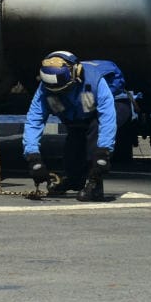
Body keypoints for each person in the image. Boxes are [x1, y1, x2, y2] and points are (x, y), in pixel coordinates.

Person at [22, 50, 133, 202]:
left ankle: (95, 184)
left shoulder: (94, 80)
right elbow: (35, 119)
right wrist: (33, 156)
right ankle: (74, 180)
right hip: (79, 113)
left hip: (115, 105)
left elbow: (107, 116)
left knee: (95, 129)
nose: (59, 93)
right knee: (74, 141)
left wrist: (103, 152)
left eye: (63, 89)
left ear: (75, 74)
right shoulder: (45, 88)